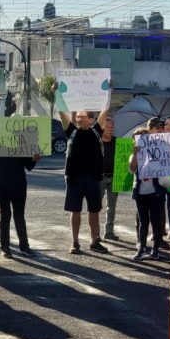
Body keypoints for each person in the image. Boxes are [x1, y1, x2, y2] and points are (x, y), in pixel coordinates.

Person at [54, 81, 110, 254]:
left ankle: (95, 241)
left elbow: (105, 110)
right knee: (75, 211)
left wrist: (109, 91)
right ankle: (75, 242)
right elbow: (63, 111)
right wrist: (57, 93)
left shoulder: (96, 131)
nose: (79, 119)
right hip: (74, 178)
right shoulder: (71, 130)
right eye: (77, 117)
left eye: (83, 117)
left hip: (93, 178)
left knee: (94, 211)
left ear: (91, 119)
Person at [129, 119, 169, 261]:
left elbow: (168, 162)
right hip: (141, 194)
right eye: (137, 140)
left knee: (156, 221)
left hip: (156, 193)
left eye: (143, 140)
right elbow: (132, 169)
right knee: (143, 222)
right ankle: (141, 248)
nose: (140, 143)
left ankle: (156, 249)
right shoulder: (134, 156)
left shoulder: (156, 154)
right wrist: (134, 154)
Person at [0, 150, 40, 258]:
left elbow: (29, 166)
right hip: (2, 184)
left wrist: (35, 160)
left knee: (19, 216)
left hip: (19, 184)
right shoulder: (1, 141)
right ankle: (5, 248)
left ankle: (24, 247)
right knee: (5, 215)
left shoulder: (23, 143)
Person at [98, 117, 120, 241]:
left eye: (112, 127)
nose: (110, 129)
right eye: (107, 127)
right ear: (102, 128)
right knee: (96, 206)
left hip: (114, 177)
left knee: (111, 207)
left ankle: (109, 232)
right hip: (99, 178)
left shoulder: (118, 142)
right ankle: (96, 233)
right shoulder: (97, 142)